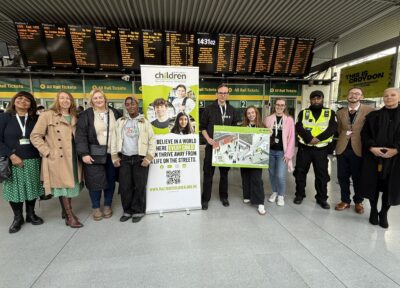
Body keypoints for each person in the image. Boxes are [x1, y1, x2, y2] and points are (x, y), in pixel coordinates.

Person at [31, 91, 83, 228]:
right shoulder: (47, 115)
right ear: (57, 100)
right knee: (63, 186)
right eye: (62, 98)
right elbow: (35, 136)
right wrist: (47, 152)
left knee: (71, 184)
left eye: (68, 98)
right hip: (58, 157)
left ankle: (65, 210)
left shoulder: (74, 116)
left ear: (71, 101)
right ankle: (69, 216)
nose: (65, 100)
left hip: (72, 155)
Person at [0, 91, 44, 233]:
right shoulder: (4, 118)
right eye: (20, 98)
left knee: (31, 188)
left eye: (27, 100)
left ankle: (31, 214)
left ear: (31, 104)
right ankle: (18, 218)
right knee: (14, 190)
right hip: (12, 160)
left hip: (33, 159)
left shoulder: (35, 119)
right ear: (14, 101)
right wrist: (11, 155)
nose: (23, 101)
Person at [75, 89, 120, 221]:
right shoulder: (86, 115)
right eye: (95, 98)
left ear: (105, 99)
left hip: (112, 154)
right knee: (95, 181)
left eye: (101, 97)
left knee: (110, 180)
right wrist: (84, 154)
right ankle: (95, 207)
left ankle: (107, 205)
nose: (98, 100)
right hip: (93, 154)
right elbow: (80, 135)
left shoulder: (114, 112)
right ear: (91, 101)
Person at [360, 87, 400, 229]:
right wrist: (372, 148)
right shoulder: (373, 116)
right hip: (374, 157)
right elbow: (364, 135)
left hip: (395, 159)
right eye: (386, 95)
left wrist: (396, 150)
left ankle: (383, 213)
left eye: (393, 95)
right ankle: (373, 211)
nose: (389, 97)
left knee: (390, 188)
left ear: (399, 97)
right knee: (373, 186)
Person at [111, 96, 156, 223]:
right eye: (128, 104)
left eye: (133, 104)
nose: (130, 106)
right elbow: (114, 139)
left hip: (139, 159)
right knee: (125, 187)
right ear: (125, 106)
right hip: (124, 159)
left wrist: (148, 158)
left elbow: (152, 140)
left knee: (139, 186)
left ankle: (138, 210)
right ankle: (127, 210)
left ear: (137, 105)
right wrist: (114, 156)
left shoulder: (144, 122)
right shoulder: (120, 122)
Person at [293, 90, 337, 209]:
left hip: (321, 149)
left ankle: (322, 198)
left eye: (318, 98)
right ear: (310, 100)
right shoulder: (304, 112)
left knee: (322, 175)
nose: (316, 100)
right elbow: (299, 126)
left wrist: (318, 138)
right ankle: (300, 195)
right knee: (300, 173)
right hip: (304, 148)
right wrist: (309, 138)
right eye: (314, 98)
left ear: (322, 99)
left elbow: (332, 128)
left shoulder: (330, 113)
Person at [335, 87, 374, 214]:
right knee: (342, 176)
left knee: (358, 177)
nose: (353, 95)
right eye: (351, 93)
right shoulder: (340, 112)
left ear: (361, 97)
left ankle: (358, 201)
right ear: (347, 96)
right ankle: (345, 200)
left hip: (359, 149)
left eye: (357, 94)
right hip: (342, 148)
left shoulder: (370, 111)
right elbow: (340, 129)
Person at [200, 84, 239, 209]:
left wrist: (231, 139)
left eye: (225, 93)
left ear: (228, 95)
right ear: (216, 94)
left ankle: (224, 197)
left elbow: (235, 129)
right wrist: (209, 140)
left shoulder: (232, 110)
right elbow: (203, 128)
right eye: (220, 93)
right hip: (211, 146)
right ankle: (205, 199)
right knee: (208, 174)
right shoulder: (209, 109)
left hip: (225, 148)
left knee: (224, 174)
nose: (223, 95)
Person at [264, 98, 295, 207]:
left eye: (282, 105)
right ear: (274, 105)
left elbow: (292, 138)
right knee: (272, 174)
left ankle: (281, 195)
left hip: (282, 152)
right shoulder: (268, 119)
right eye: (278, 104)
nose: (279, 107)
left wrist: (288, 154)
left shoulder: (289, 120)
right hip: (270, 151)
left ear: (285, 106)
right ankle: (275, 192)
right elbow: (263, 135)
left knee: (280, 175)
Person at [240, 106, 266, 215]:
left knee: (256, 179)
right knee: (245, 176)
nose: (251, 115)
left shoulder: (262, 126)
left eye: (253, 112)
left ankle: (260, 202)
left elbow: (269, 142)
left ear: (256, 113)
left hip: (257, 157)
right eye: (248, 113)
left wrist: (270, 134)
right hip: (245, 156)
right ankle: (247, 195)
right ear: (246, 115)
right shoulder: (242, 126)